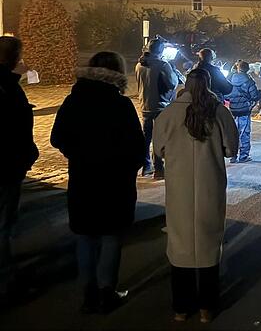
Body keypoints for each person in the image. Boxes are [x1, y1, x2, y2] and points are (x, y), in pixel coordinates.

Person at [50, 52, 144, 313]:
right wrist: (128, 165)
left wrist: (77, 153)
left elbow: (57, 138)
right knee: (111, 236)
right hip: (116, 180)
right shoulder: (120, 105)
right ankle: (106, 291)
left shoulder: (73, 101)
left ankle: (88, 291)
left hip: (83, 177)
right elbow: (137, 146)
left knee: (85, 236)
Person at [153, 68, 239, 323]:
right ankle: (206, 308)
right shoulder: (219, 112)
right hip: (210, 184)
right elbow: (231, 147)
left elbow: (158, 149)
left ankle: (181, 308)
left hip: (179, 187)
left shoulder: (168, 114)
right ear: (209, 83)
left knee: (180, 243)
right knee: (209, 243)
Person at [0, 36, 39, 304]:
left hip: (9, 163)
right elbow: (16, 130)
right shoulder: (7, 89)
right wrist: (27, 157)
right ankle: (6, 283)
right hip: (5, 166)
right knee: (3, 226)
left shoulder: (8, 86)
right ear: (14, 58)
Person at [135, 37, 182, 178]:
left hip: (145, 105)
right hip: (161, 105)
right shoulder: (163, 65)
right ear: (161, 50)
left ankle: (146, 166)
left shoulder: (139, 64)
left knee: (146, 137)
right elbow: (172, 84)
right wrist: (173, 70)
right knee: (159, 138)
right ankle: (159, 169)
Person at [224, 61, 261, 163]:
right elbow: (254, 96)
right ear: (247, 69)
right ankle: (243, 156)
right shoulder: (249, 81)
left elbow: (226, 95)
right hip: (245, 110)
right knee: (244, 133)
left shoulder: (230, 80)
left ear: (237, 68)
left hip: (233, 110)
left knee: (233, 133)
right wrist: (259, 94)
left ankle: (233, 155)